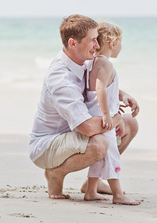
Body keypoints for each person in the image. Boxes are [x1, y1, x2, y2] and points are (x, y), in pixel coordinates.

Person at [29, 14, 140, 200]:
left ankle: (92, 184)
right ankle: (55, 173)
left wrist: (122, 94)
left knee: (130, 124)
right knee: (100, 143)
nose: (98, 45)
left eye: (97, 39)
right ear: (73, 43)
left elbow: (98, 83)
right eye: (93, 41)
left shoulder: (81, 58)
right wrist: (115, 119)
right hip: (48, 144)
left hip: (73, 133)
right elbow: (86, 127)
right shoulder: (61, 80)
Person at [84, 21, 139, 205]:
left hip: (93, 116)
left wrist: (121, 97)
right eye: (120, 42)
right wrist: (108, 115)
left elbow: (102, 88)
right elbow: (100, 89)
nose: (121, 46)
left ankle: (91, 191)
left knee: (100, 158)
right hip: (103, 119)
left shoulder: (93, 62)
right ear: (112, 43)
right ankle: (118, 194)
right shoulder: (105, 64)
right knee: (112, 154)